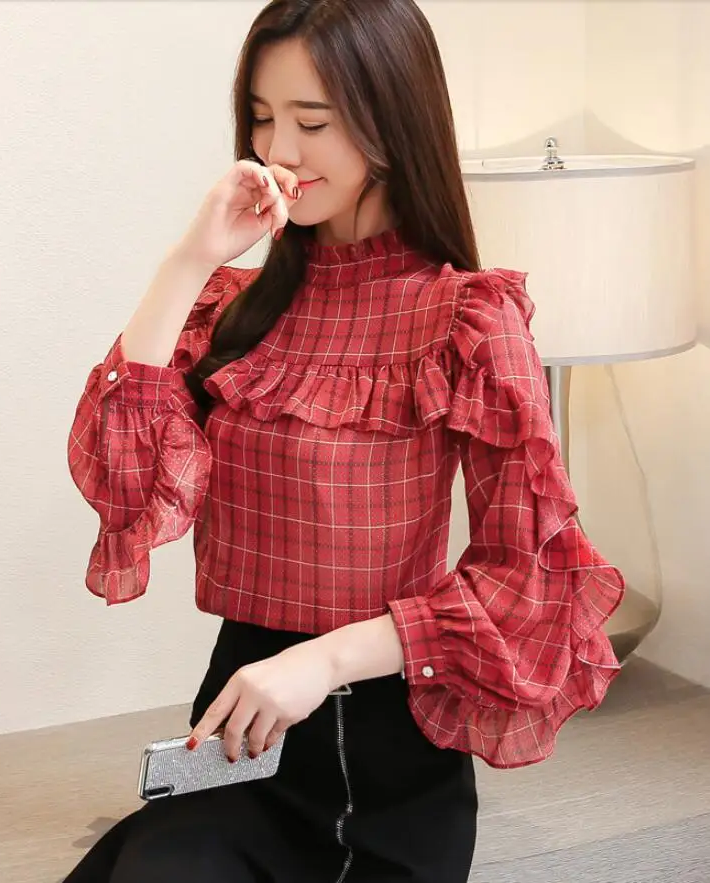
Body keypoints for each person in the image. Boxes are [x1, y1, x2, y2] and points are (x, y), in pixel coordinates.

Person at [63, 0, 625, 880]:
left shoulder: (467, 318)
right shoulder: (234, 309)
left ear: (391, 125)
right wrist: (188, 259)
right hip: (241, 732)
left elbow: (527, 579)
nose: (278, 150)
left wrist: (323, 659)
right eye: (260, 118)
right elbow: (122, 478)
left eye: (312, 121)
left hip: (387, 745)